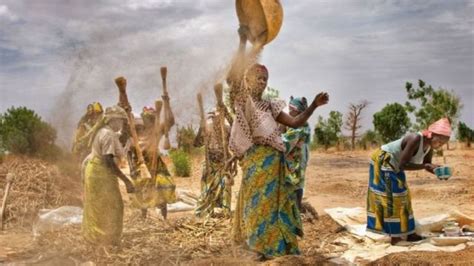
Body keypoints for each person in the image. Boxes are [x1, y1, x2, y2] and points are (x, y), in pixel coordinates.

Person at [228, 26, 329, 258]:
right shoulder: (244, 101)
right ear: (249, 79)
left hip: (274, 164)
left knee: (273, 205)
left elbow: (294, 123)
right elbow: (234, 78)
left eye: (265, 79)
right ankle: (256, 246)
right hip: (255, 162)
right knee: (256, 204)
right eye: (258, 78)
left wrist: (313, 105)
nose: (262, 82)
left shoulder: (270, 105)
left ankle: (275, 247)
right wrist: (243, 42)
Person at [366, 117, 451, 245]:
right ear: (431, 135)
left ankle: (409, 233)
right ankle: (395, 236)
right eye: (439, 140)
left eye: (443, 143)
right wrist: (425, 166)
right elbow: (403, 165)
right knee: (391, 197)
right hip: (383, 160)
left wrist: (438, 172)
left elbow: (427, 164)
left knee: (404, 196)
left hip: (395, 164)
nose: (440, 145)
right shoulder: (415, 139)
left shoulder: (429, 147)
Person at [82, 105, 135, 246]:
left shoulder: (106, 132)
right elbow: (108, 161)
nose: (122, 124)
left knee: (99, 206)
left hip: (96, 171)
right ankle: (107, 239)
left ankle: (97, 238)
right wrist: (126, 181)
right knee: (114, 206)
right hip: (100, 173)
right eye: (121, 121)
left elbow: (118, 144)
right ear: (114, 120)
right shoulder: (107, 134)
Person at [126, 108, 175, 219]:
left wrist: (166, 102)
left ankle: (164, 218)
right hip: (142, 168)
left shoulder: (156, 133)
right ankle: (144, 216)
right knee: (142, 191)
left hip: (157, 167)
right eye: (147, 119)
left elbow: (170, 121)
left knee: (163, 187)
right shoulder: (134, 136)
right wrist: (132, 168)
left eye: (152, 120)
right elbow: (129, 154)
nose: (150, 122)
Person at [194, 110, 232, 217]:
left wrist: (228, 114)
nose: (217, 119)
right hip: (209, 163)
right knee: (207, 190)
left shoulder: (228, 129)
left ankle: (226, 213)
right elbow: (196, 144)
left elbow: (237, 137)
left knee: (226, 184)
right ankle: (207, 212)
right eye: (215, 117)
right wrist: (201, 127)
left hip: (224, 163)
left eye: (221, 116)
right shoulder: (207, 128)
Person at [282, 96, 312, 211]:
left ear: (298, 111)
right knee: (298, 183)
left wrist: (281, 127)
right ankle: (296, 210)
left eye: (292, 109)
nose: (289, 112)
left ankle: (296, 211)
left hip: (296, 160)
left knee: (294, 184)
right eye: (289, 109)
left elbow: (284, 143)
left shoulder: (299, 126)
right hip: (299, 158)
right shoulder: (303, 124)